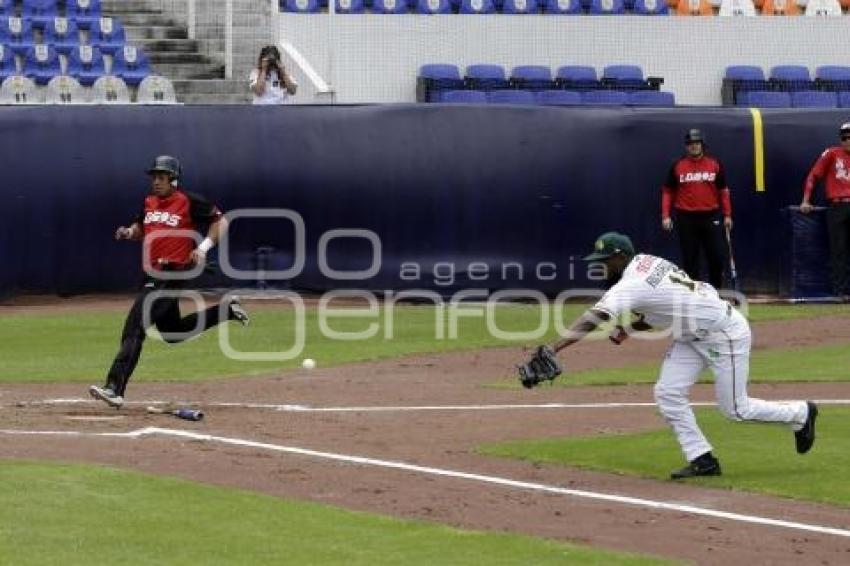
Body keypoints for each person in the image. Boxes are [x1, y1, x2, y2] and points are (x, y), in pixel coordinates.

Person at [518, 232, 817, 479]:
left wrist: (555, 347)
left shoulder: (630, 284)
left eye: (604, 261)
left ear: (620, 257)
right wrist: (630, 327)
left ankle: (801, 414)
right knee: (668, 392)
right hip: (691, 334)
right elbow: (667, 305)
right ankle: (703, 459)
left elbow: (595, 316)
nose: (601, 267)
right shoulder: (647, 262)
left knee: (735, 409)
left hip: (724, 334)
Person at [89, 155, 250, 408]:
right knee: (173, 332)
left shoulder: (188, 201)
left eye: (161, 176)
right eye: (154, 176)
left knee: (135, 326)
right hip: (152, 274)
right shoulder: (149, 202)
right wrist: (129, 232)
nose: (155, 181)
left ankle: (114, 387)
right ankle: (226, 310)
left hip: (172, 273)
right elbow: (142, 226)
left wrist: (204, 248)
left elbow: (222, 221)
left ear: (174, 179)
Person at [661, 128, 733, 291]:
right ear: (686, 146)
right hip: (686, 218)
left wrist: (728, 214)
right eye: (690, 144)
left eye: (696, 143)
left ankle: (715, 293)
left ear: (702, 145)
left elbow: (723, 191)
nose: (694, 146)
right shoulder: (678, 166)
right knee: (690, 259)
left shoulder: (714, 164)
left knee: (716, 257)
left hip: (711, 216)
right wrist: (665, 215)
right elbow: (667, 191)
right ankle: (693, 295)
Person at [799, 122, 850, 300]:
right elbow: (814, 176)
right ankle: (840, 292)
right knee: (839, 249)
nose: (848, 140)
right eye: (845, 137)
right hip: (838, 205)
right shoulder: (832, 153)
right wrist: (806, 200)